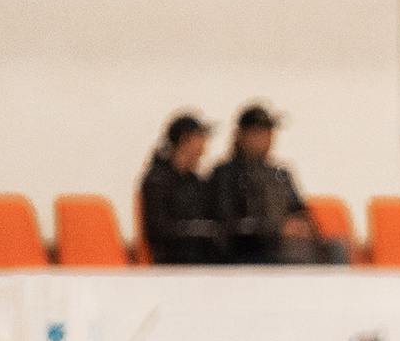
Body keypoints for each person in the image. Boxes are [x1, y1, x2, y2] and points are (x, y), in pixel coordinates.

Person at [209, 103, 337, 264]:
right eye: (257, 133)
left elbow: (300, 210)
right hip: (252, 248)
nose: (265, 139)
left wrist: (304, 227)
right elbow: (228, 220)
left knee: (334, 248)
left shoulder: (280, 174)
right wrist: (277, 229)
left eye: (268, 133)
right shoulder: (226, 174)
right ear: (241, 136)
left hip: (287, 246)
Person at [139, 112, 225, 265]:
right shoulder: (158, 181)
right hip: (174, 262)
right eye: (200, 138)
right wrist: (198, 229)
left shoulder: (195, 182)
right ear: (185, 140)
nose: (204, 146)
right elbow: (157, 230)